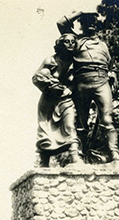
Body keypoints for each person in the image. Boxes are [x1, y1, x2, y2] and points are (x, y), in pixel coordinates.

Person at [57, 11, 119, 163]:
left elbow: (111, 66)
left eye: (93, 21)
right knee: (81, 123)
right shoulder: (76, 41)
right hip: (82, 82)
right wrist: (79, 13)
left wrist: (112, 75)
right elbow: (61, 23)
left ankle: (114, 153)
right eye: (87, 21)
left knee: (107, 119)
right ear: (82, 25)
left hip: (102, 81)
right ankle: (78, 155)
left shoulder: (103, 45)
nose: (91, 24)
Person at [32, 33, 82, 167]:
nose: (70, 43)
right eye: (67, 41)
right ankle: (44, 161)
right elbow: (36, 78)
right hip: (49, 100)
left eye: (73, 41)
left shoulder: (77, 63)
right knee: (45, 130)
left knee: (70, 125)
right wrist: (51, 84)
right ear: (60, 44)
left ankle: (74, 156)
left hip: (66, 99)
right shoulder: (50, 61)